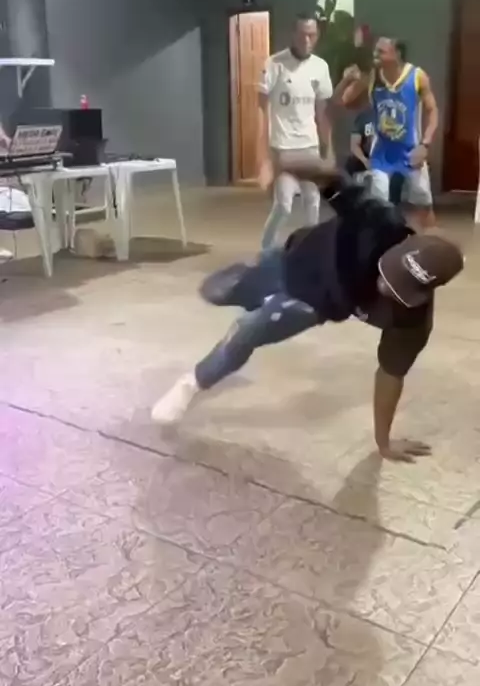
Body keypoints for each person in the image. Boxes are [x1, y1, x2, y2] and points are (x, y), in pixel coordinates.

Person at [151, 155, 464, 463]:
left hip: (313, 303)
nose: (384, 287)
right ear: (401, 245)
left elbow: (391, 374)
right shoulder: (378, 221)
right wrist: (281, 164)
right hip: (291, 259)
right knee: (214, 291)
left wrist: (383, 443)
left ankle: (191, 383)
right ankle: (251, 292)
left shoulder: (411, 319)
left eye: (398, 288)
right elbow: (331, 177)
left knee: (249, 329)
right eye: (389, 272)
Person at [334, 37, 439, 229]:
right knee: (379, 204)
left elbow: (432, 111)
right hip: (382, 153)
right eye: (375, 51)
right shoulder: (372, 77)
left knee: (423, 202)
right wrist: (347, 79)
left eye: (380, 51)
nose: (375, 55)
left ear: (396, 53)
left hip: (411, 150)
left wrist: (425, 144)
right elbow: (342, 101)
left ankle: (432, 242)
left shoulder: (417, 76)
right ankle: (380, 242)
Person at [257, 13, 333, 251]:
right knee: (283, 205)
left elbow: (322, 114)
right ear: (293, 34)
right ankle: (266, 251)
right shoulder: (274, 64)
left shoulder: (320, 67)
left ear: (317, 36)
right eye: (302, 35)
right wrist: (264, 159)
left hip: (309, 147)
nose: (307, 40)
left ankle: (311, 251)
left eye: (311, 35)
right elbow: (261, 111)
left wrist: (328, 150)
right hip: (283, 148)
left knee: (313, 202)